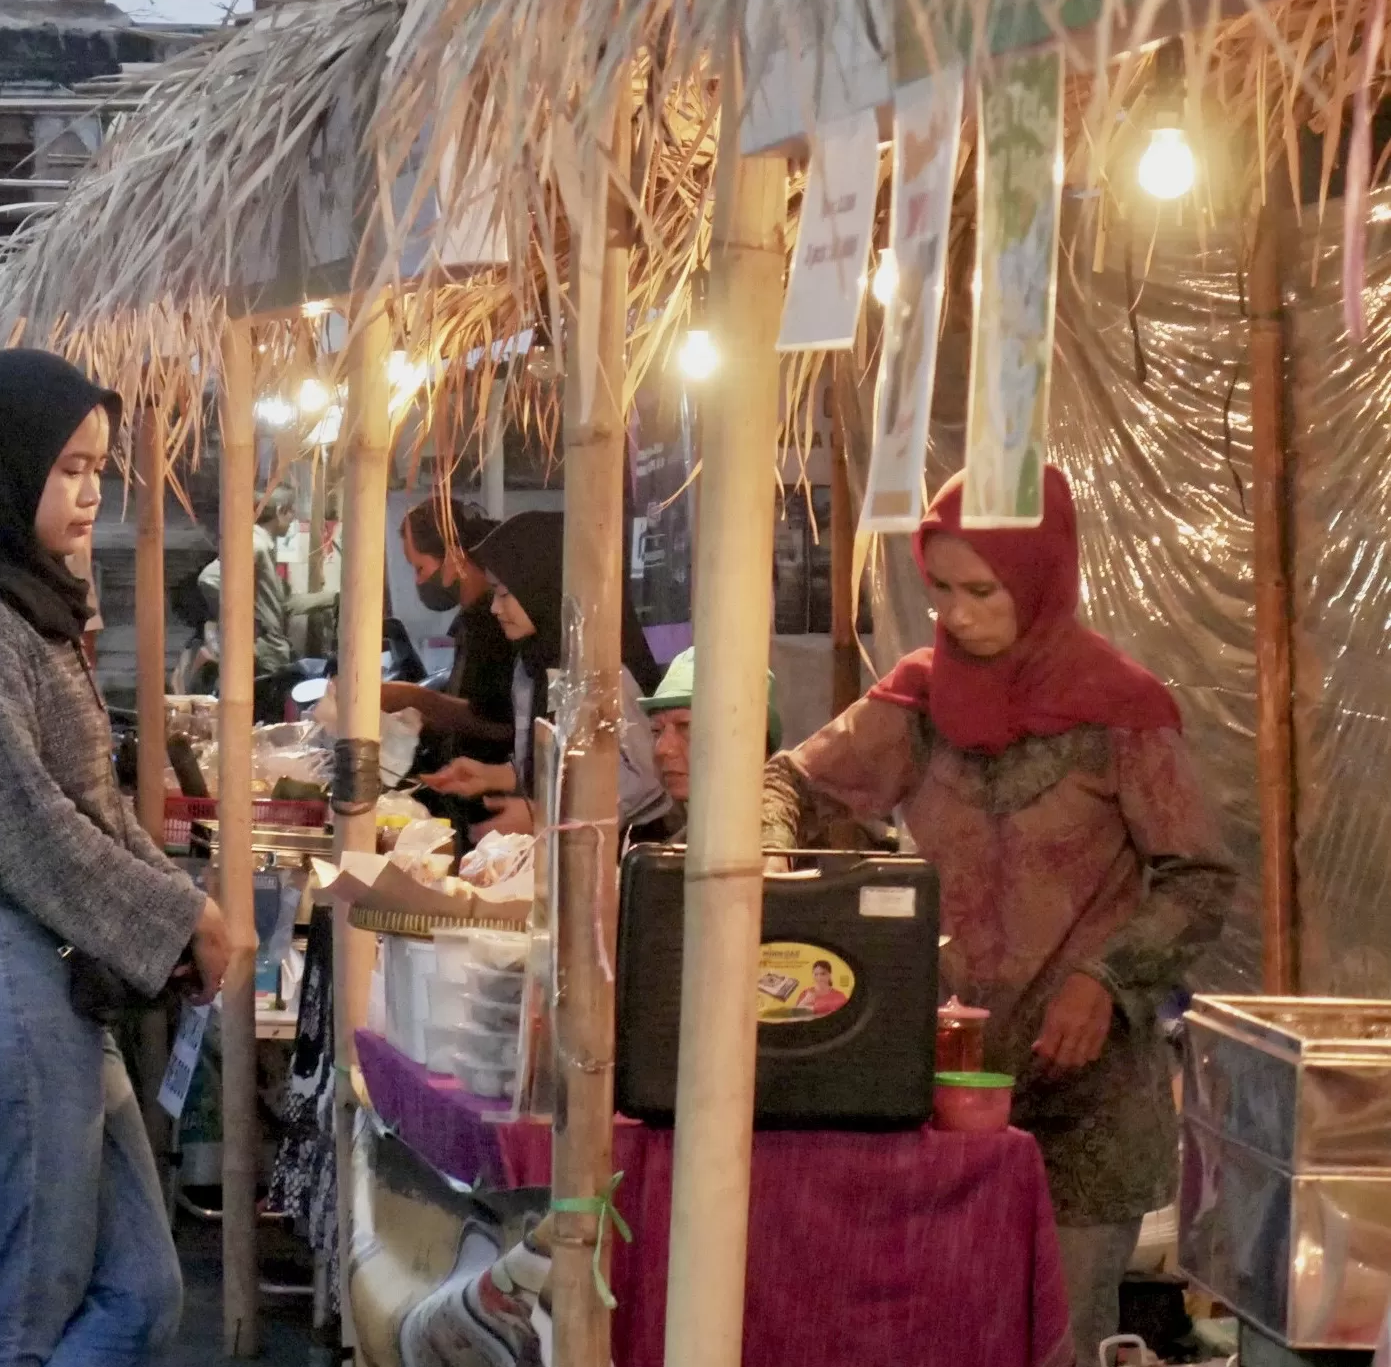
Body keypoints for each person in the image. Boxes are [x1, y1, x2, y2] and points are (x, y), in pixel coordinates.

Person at [761, 466, 1234, 1367]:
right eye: (938, 589)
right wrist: (772, 856)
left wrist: (1107, 978)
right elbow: (789, 780)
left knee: (1060, 1338)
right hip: (940, 1082)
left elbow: (1198, 876)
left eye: (982, 590)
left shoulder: (1121, 711)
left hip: (1087, 1099)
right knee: (935, 1324)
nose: (955, 613)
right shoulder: (917, 700)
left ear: (1041, 577)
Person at [0, 349, 230, 1366]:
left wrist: (179, 905)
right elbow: (20, 818)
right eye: (68, 468)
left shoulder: (25, 608)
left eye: (98, 467)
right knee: (26, 1310)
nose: (91, 492)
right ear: (1, 466)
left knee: (137, 1293)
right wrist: (180, 918)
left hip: (50, 972)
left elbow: (93, 809)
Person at [420, 510, 672, 837]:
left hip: (620, 861)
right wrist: (493, 776)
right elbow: (561, 764)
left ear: (541, 586)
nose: (495, 608)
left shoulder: (606, 668)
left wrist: (545, 816)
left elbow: (650, 781)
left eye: (505, 594)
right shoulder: (533, 665)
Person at [382, 498, 515, 766]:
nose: (418, 581)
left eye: (420, 568)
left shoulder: (497, 623)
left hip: (483, 792)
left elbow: (500, 725)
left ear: (454, 556)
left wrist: (413, 697)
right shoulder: (471, 621)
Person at [199, 487, 337, 722]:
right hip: (262, 654)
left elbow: (284, 604)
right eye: (291, 511)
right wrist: (245, 623)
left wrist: (333, 598)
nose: (293, 518)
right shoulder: (256, 545)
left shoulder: (265, 548)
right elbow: (209, 579)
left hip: (271, 652)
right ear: (281, 512)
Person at [641, 646, 782, 820]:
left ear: (751, 737)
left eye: (686, 726)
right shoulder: (680, 839)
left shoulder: (783, 836)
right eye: (656, 731)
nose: (661, 749)